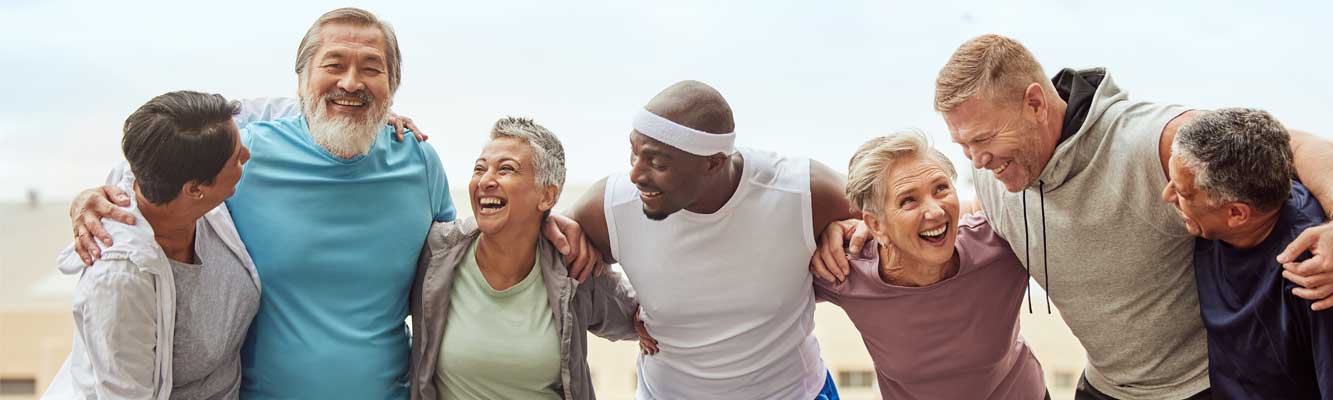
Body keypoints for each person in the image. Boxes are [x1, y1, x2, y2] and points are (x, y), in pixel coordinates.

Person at [63, 8, 597, 399]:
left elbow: (462, 252)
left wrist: (545, 217)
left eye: (371, 68)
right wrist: (96, 193)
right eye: (333, 64)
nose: (351, 81)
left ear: (392, 86)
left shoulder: (418, 161)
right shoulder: (245, 154)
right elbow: (166, 162)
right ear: (301, 80)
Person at [814, 34, 1333, 400]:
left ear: (1036, 103)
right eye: (963, 146)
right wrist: (867, 226)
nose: (976, 162)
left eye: (984, 139)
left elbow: (1301, 145)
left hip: (1203, 386)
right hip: (1105, 387)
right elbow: (949, 221)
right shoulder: (994, 174)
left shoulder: (1145, 139)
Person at [567, 80, 855, 399]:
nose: (636, 174)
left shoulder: (800, 193)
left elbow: (885, 224)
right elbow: (547, 257)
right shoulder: (612, 206)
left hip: (794, 392)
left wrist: (848, 229)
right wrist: (628, 303)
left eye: (658, 163)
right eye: (633, 153)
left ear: (713, 162)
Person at [1162, 108, 1333, 399]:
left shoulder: (1316, 271)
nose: (1167, 196)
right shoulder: (1224, 212)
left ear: (1236, 213)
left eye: (1183, 192)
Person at [408, 117, 645, 400]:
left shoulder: (572, 270)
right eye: (479, 169)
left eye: (505, 169)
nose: (486, 180)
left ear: (547, 196)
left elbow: (643, 316)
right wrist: (385, 121)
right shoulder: (436, 253)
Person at [44, 91, 259, 399]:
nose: (247, 156)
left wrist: (83, 198)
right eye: (236, 157)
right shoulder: (119, 280)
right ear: (195, 188)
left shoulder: (170, 170)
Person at [813, 130, 1046, 399]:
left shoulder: (999, 244)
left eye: (941, 188)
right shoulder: (844, 268)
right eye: (909, 200)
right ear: (876, 225)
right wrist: (827, 229)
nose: (936, 212)